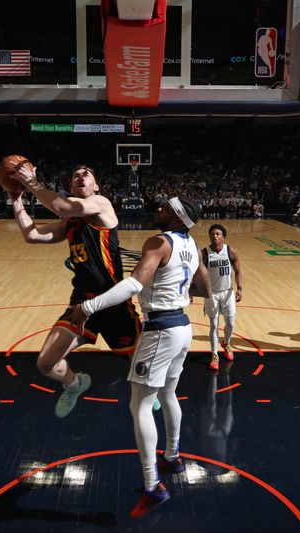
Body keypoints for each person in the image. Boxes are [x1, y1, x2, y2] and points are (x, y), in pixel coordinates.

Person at [70, 196, 211, 519]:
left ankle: (152, 485)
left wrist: (87, 307)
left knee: (140, 404)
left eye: (163, 207)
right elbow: (204, 286)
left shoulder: (159, 241)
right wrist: (181, 285)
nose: (156, 209)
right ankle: (172, 456)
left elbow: (133, 284)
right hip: (183, 327)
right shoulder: (190, 242)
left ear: (176, 216)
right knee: (168, 393)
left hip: (161, 329)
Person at [11, 164, 141, 418]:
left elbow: (61, 206)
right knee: (46, 363)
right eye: (76, 175)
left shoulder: (101, 203)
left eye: (87, 174)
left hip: (113, 301)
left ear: (96, 186)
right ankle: (74, 384)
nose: (81, 177)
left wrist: (32, 183)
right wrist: (16, 200)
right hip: (81, 302)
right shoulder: (69, 224)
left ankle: (148, 390)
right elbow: (32, 235)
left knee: (140, 364)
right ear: (70, 187)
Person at [202, 224, 243, 371]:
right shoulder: (204, 253)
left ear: (223, 237)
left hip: (228, 292)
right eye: (212, 234)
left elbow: (238, 271)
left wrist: (239, 288)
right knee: (213, 324)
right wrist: (195, 292)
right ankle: (214, 355)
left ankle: (226, 343)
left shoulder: (230, 251)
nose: (215, 236)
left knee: (230, 323)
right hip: (211, 294)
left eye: (218, 234)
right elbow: (198, 275)